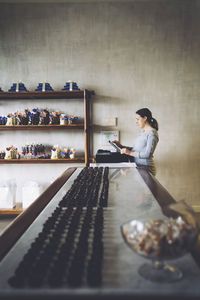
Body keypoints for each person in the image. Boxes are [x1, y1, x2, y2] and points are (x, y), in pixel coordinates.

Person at [113, 108, 159, 176]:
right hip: (138, 167)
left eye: (138, 119)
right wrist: (121, 146)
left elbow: (147, 154)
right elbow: (136, 150)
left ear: (145, 118)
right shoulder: (143, 132)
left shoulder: (152, 133)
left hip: (146, 169)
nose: (136, 122)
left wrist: (129, 152)